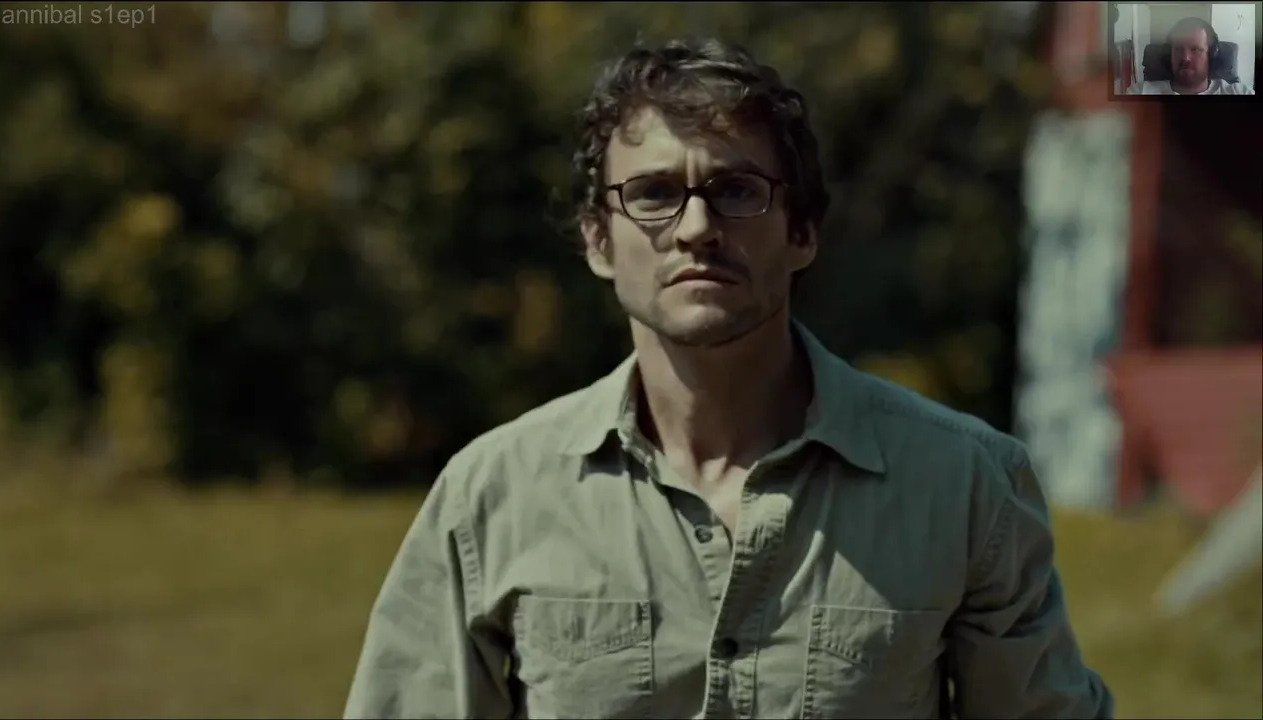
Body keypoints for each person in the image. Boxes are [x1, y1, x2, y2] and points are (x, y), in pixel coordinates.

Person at [344, 38, 1115, 719]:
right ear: (598, 241)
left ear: (802, 232)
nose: (696, 228)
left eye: (738, 191)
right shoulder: (493, 496)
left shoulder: (963, 486)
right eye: (652, 193)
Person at [1127, 17, 1255, 95]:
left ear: (1211, 54)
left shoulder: (1239, 92)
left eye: (1195, 49)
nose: (1185, 58)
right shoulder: (1140, 92)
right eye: (1178, 49)